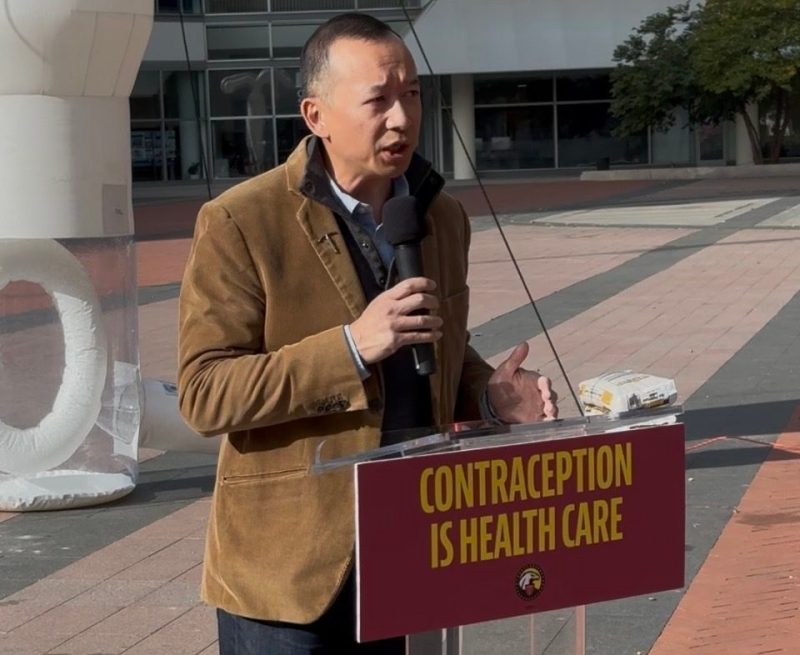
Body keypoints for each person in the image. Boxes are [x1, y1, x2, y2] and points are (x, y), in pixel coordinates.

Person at [177, 12, 558, 655]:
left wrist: (490, 399)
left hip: (411, 550)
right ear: (317, 115)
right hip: (291, 578)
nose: (402, 118)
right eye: (378, 99)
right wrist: (351, 347)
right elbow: (205, 392)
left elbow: (439, 347)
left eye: (411, 94)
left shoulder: (442, 216)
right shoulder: (240, 221)